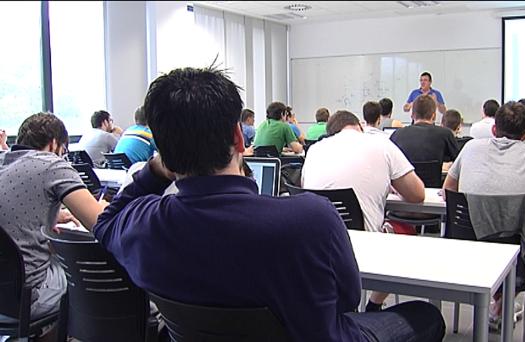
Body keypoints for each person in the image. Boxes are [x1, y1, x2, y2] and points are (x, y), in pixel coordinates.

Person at [93, 66, 445, 342]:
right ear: (237, 136)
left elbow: (106, 223)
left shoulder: (145, 224)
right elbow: (348, 298)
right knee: (426, 316)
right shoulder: (309, 218)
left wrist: (156, 170)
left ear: (163, 152)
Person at [442, 101, 525, 329]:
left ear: (494, 130)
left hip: (466, 246)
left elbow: (449, 189)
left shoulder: (470, 148)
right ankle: (501, 303)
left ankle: (499, 304)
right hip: (514, 253)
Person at [302, 110, 429, 315]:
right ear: (360, 126)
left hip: (319, 246)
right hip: (364, 245)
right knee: (405, 232)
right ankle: (375, 304)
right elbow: (417, 194)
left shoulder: (315, 150)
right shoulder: (382, 144)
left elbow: (307, 190)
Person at [0, 113, 106, 336]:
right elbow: (102, 223)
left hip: (5, 295)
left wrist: (53, 216)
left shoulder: (3, 163)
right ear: (54, 144)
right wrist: (105, 206)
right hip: (28, 297)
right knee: (82, 272)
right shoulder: (52, 164)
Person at [391, 94, 458, 167]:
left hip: (404, 178)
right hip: (434, 177)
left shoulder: (397, 135)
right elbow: (458, 161)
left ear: (412, 115)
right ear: (434, 116)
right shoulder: (445, 134)